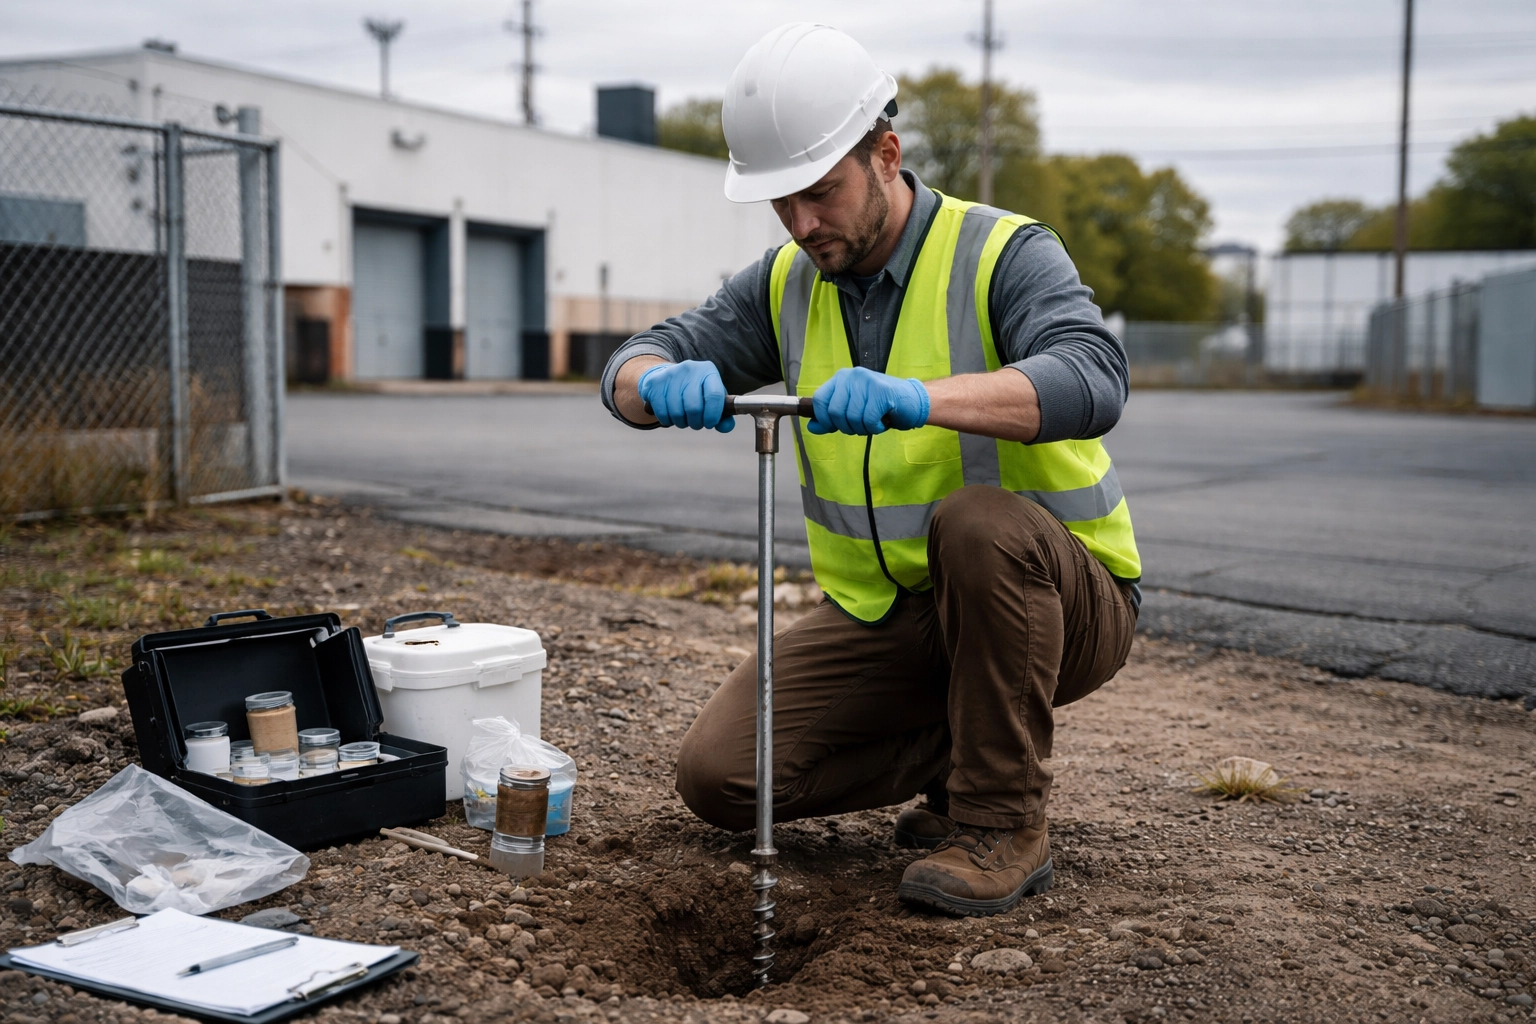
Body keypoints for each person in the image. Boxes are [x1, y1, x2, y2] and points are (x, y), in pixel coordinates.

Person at [601, 23, 1141, 917]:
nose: (803, 224)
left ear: (886, 155)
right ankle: (968, 749)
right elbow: (628, 365)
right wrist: (654, 380)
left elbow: (1093, 374)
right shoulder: (785, 282)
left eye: (820, 194)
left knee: (980, 519)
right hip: (897, 617)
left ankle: (1001, 822)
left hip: (1061, 601)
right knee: (722, 779)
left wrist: (918, 397)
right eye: (782, 204)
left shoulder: (1003, 252)